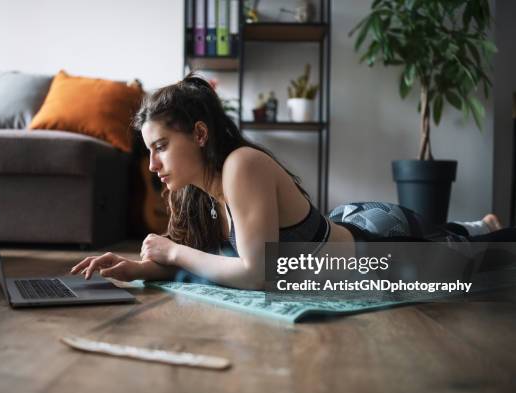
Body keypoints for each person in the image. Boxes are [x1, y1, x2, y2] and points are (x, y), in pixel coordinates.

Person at [70, 75, 514, 290]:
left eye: (161, 146)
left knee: (486, 257)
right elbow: (198, 259)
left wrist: (171, 250)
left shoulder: (242, 165)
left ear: (200, 135)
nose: (151, 164)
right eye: (149, 150)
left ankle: (482, 227)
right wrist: (134, 267)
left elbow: (256, 273)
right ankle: (477, 225)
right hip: (346, 225)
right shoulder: (195, 194)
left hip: (381, 243)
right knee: (465, 239)